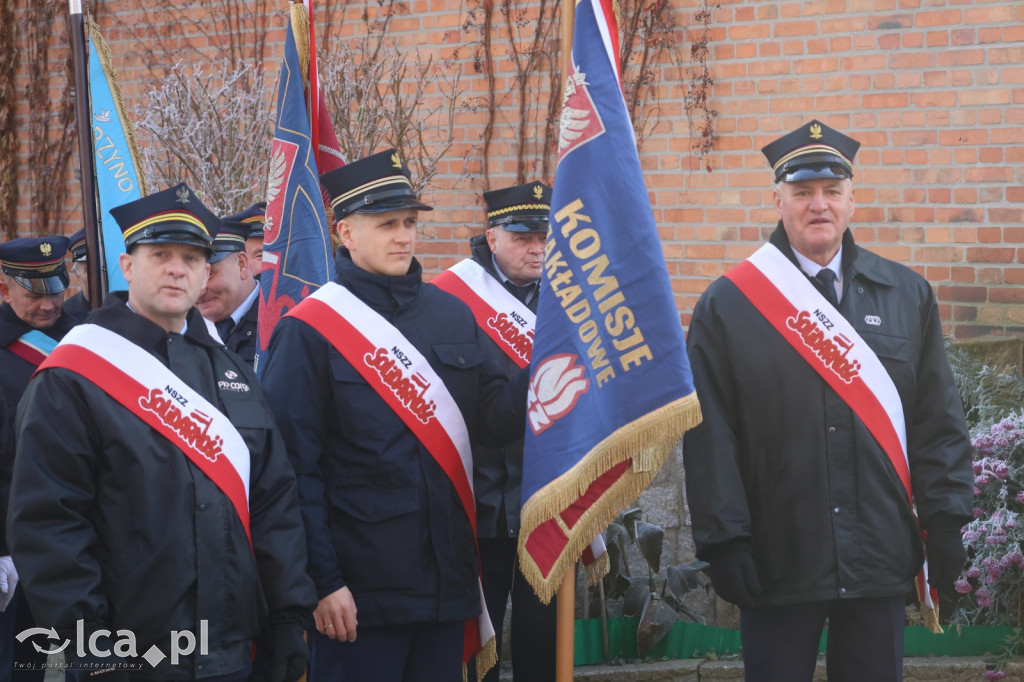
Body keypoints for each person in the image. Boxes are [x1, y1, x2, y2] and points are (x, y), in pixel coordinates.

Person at [681, 119, 974, 682]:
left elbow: (937, 421)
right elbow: (711, 435)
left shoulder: (907, 296)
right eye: (802, 191)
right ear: (778, 199)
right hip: (777, 555)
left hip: (878, 555)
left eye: (832, 191)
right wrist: (724, 542)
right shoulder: (728, 305)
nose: (819, 205)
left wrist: (947, 523)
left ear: (852, 200)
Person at [7, 183, 316, 682]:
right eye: (161, 254)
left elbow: (273, 499)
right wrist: (92, 649)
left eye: (194, 258)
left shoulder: (231, 373)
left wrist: (287, 617)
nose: (178, 268)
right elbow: (49, 525)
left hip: (234, 652)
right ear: (128, 266)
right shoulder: (75, 375)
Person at [260, 149, 528, 682]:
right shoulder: (311, 329)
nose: (403, 236)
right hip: (359, 592)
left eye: (409, 222)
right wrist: (321, 581)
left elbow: (494, 422)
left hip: (447, 580)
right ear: (347, 233)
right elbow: (293, 472)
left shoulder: (451, 313)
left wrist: (550, 361)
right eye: (386, 224)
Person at [431, 181, 555, 682]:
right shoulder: (452, 301)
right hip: (474, 503)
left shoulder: (567, 302)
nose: (537, 248)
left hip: (544, 500)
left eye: (544, 237)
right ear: (492, 237)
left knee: (542, 643)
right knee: (475, 649)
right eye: (524, 237)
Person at [0, 234, 76, 682]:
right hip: (13, 546)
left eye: (57, 289)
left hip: (77, 536)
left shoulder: (87, 338)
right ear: (5, 288)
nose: (49, 305)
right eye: (35, 293)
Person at [197, 215, 260, 365]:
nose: (199, 291)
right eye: (191, 278)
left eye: (209, 274)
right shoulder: (179, 329)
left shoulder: (280, 322)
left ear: (241, 264)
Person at [63, 228, 92, 322]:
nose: (98, 277)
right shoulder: (66, 316)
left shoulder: (129, 307)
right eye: (89, 270)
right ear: (77, 275)